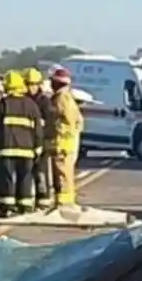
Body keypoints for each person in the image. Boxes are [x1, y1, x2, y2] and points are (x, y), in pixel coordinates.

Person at [0, 70, 44, 217]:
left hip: (6, 150)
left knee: (6, 178)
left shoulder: (2, 104)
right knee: (25, 178)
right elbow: (38, 130)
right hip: (27, 151)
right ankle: (24, 207)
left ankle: (6, 208)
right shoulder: (31, 105)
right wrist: (38, 149)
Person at [47, 68, 83, 206]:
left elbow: (68, 120)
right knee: (66, 173)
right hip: (67, 142)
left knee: (62, 174)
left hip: (62, 142)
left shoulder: (61, 98)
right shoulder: (67, 97)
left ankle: (64, 203)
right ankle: (65, 201)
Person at [24, 68, 55, 209]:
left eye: (34, 84)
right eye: (29, 84)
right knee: (26, 172)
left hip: (41, 141)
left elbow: (50, 123)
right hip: (26, 142)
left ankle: (43, 199)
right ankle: (27, 200)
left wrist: (46, 141)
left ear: (39, 85)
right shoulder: (23, 100)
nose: (31, 88)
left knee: (41, 172)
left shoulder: (44, 102)